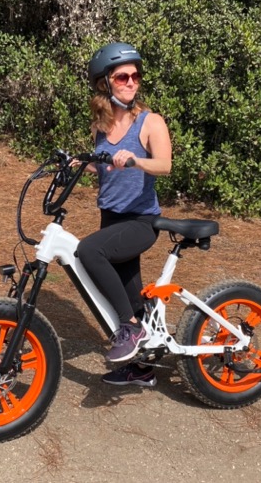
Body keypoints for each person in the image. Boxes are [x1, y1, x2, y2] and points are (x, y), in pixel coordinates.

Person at [74, 42, 172, 387]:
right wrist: (83, 164)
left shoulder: (149, 122)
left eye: (135, 76)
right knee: (130, 297)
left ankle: (129, 328)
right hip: (111, 218)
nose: (132, 82)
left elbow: (164, 164)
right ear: (105, 84)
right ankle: (142, 367)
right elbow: (105, 168)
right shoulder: (100, 127)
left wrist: (134, 159)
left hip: (140, 222)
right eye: (122, 77)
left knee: (88, 251)